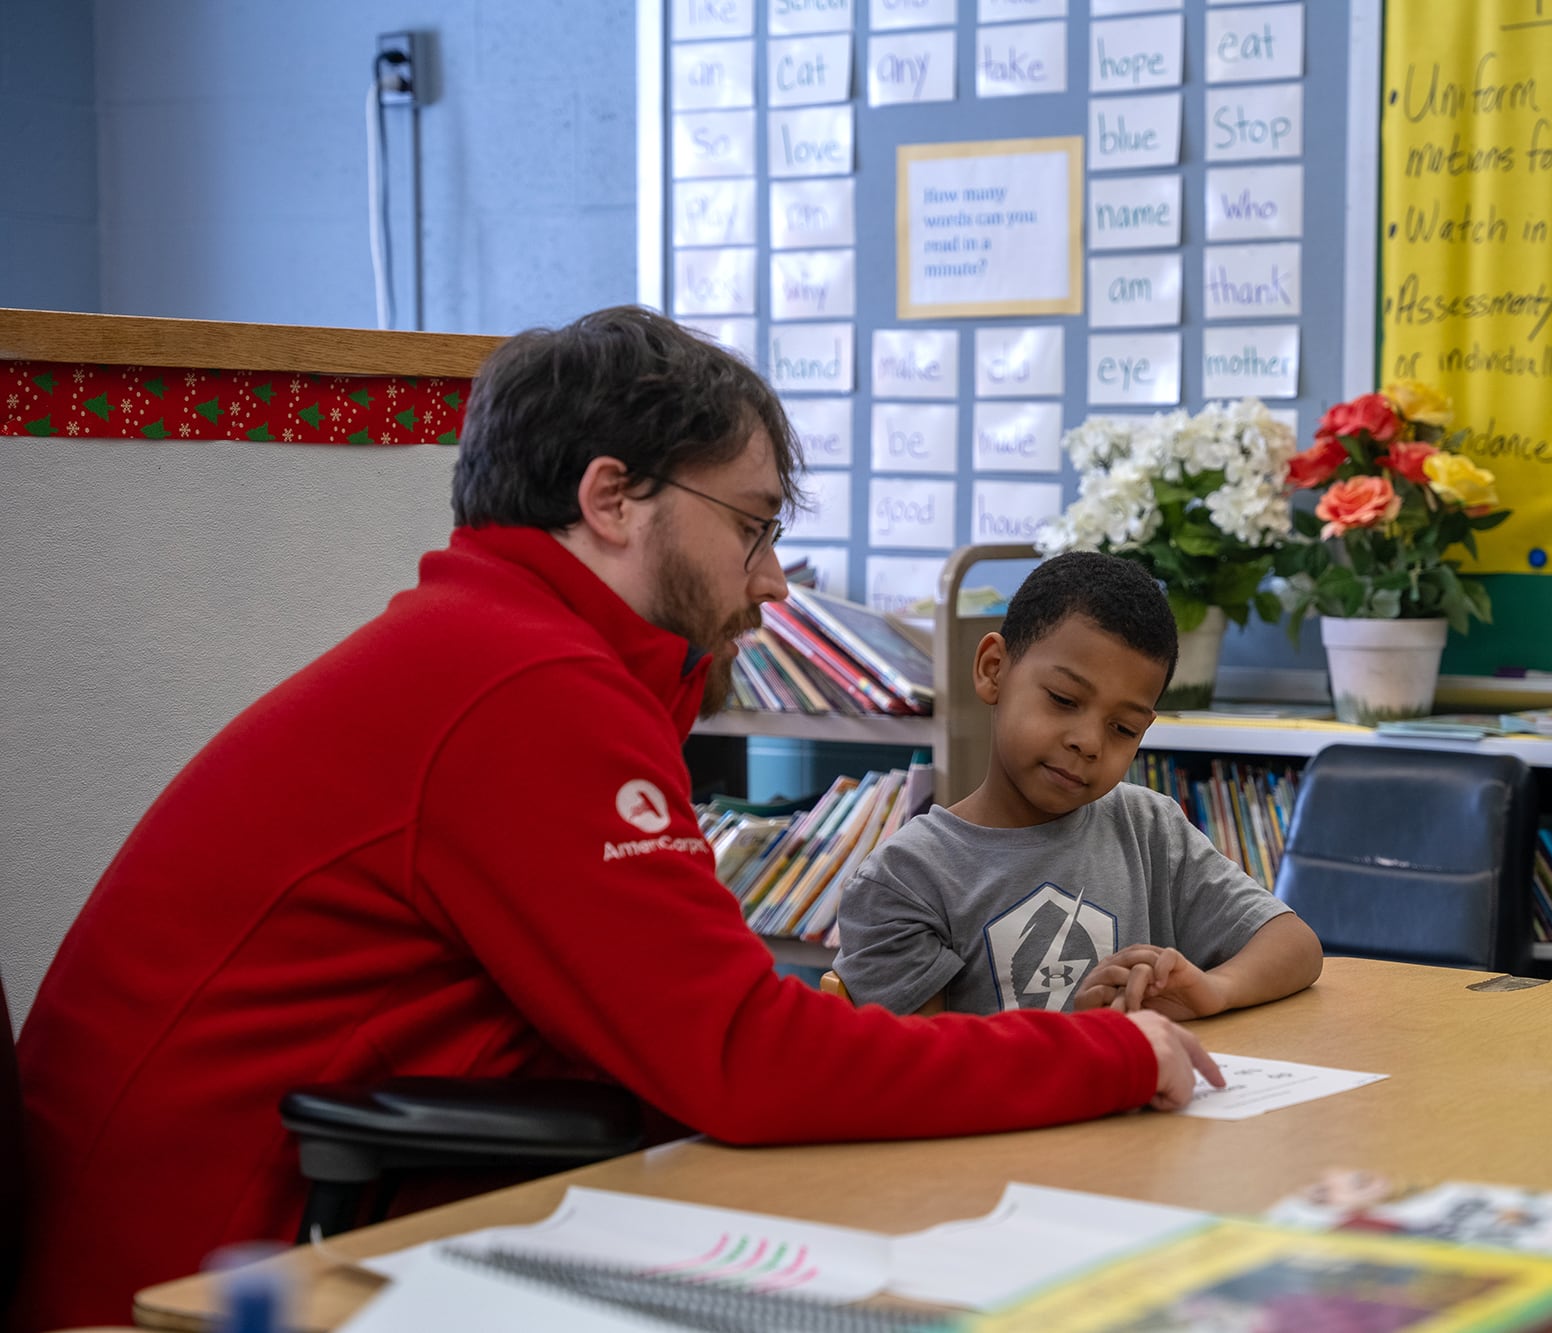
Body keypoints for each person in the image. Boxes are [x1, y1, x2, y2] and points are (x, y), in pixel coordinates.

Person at [10, 308, 1222, 1333]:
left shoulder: (500, 651)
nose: (768, 580)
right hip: (204, 1278)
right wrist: (1110, 1052)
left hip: (283, 1223)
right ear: (611, 498)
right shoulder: (526, 691)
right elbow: (741, 1064)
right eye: (751, 527)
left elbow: (694, 1020)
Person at [832, 553, 1324, 1018]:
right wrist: (1081, 1040)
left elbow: (1294, 944)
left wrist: (1212, 990)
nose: (1089, 743)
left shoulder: (1147, 828)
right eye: (1064, 699)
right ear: (993, 670)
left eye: (1123, 729)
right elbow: (920, 1075)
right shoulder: (905, 879)